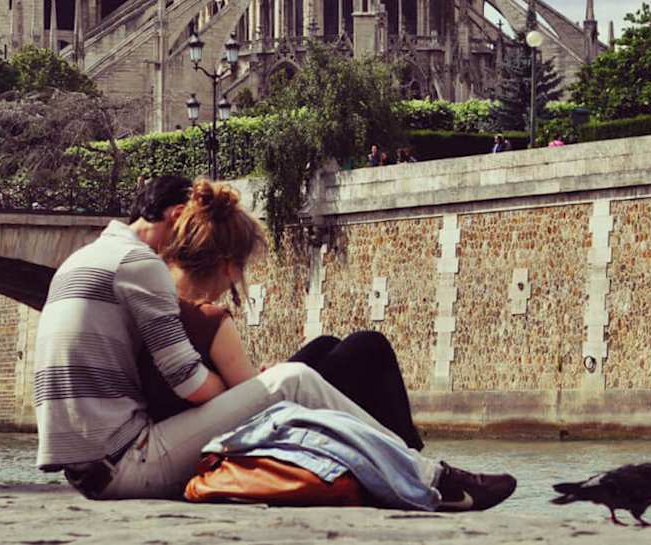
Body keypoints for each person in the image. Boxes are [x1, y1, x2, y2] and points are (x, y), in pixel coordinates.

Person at [36, 176, 514, 509]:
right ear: (177, 216)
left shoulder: (86, 257)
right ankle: (430, 478)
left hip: (92, 466)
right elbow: (186, 381)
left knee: (296, 377)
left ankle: (415, 470)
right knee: (294, 379)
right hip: (125, 463)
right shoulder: (139, 264)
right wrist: (246, 393)